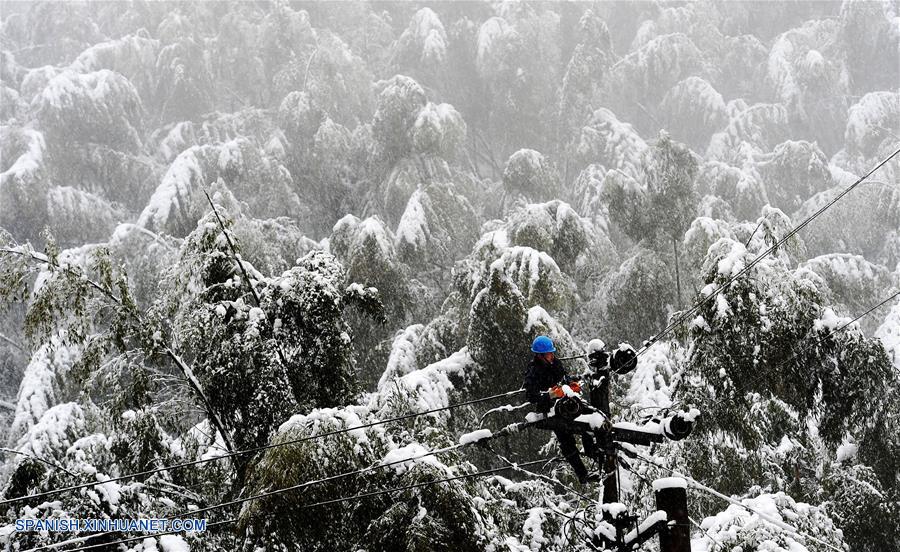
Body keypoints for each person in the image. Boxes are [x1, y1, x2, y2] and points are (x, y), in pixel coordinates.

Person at [524, 335, 598, 484]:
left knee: (589, 418)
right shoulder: (533, 371)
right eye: (549, 354)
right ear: (540, 356)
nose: (552, 356)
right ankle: (582, 474)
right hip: (550, 409)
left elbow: (564, 378)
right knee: (567, 441)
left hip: (565, 401)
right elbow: (531, 395)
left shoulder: (555, 364)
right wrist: (549, 395)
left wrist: (572, 384)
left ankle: (592, 451)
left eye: (552, 353)